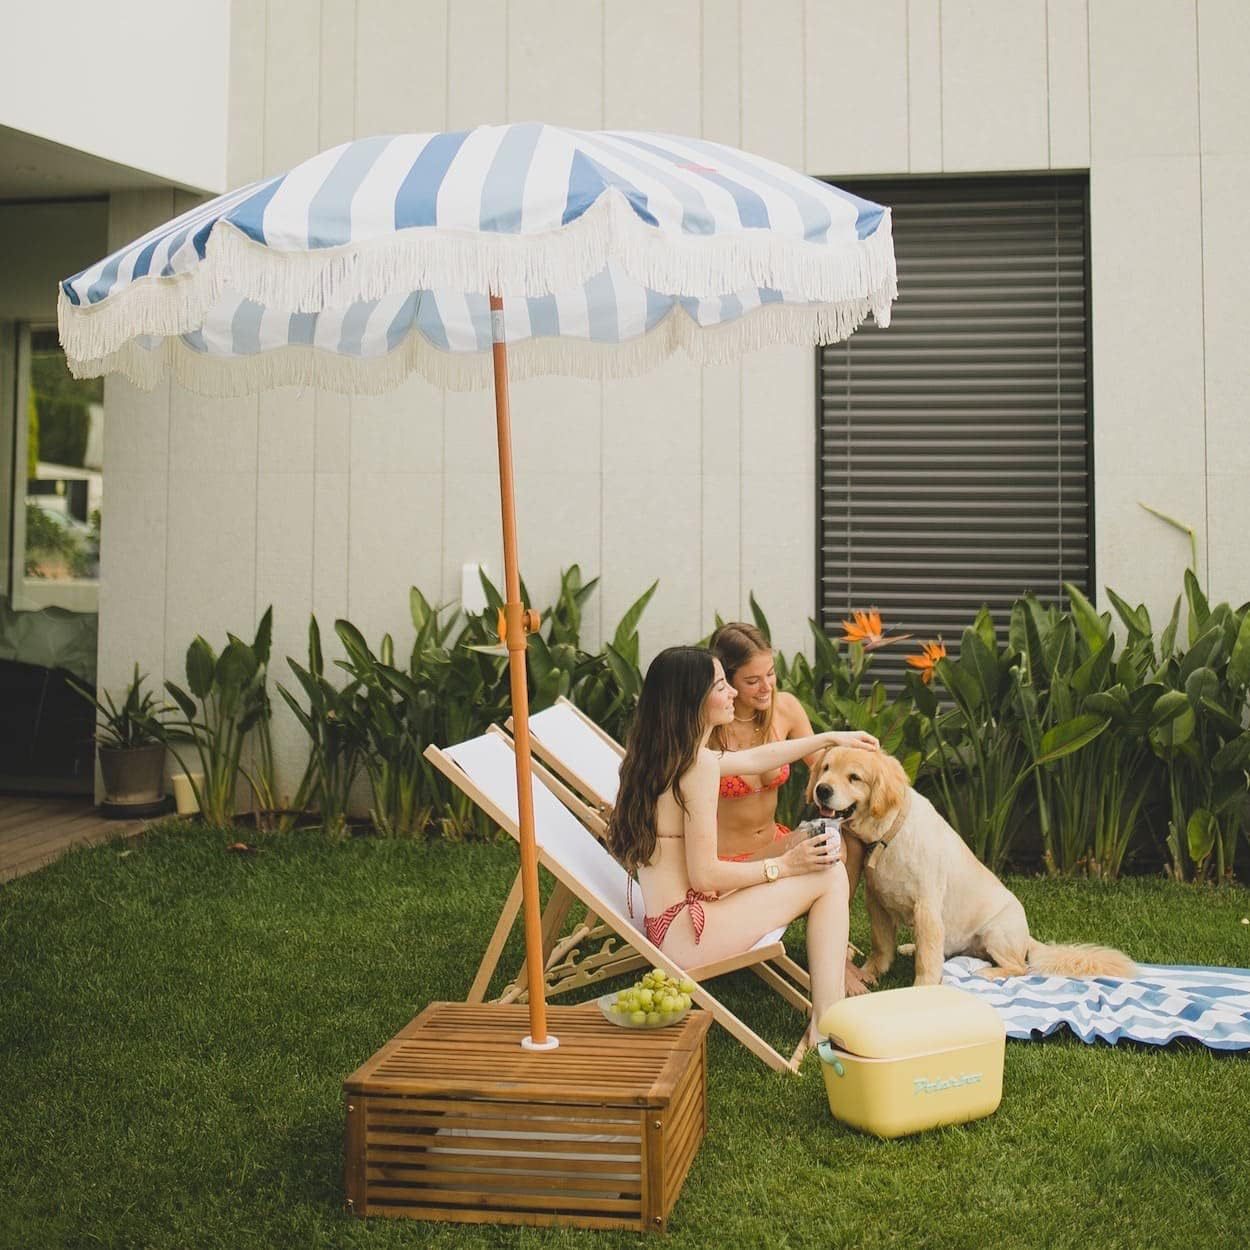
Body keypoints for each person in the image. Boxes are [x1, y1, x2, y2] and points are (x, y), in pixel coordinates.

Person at [606, 646, 875, 1044]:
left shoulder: (668, 755)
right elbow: (706, 873)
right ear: (693, 700)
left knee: (820, 867)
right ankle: (827, 1024)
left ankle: (828, 1015)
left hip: (673, 922)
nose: (732, 692)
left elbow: (756, 759)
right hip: (689, 933)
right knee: (830, 873)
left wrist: (829, 737)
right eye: (720, 686)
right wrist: (785, 866)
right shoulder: (694, 768)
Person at [709, 622, 873, 995]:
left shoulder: (784, 709)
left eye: (770, 673)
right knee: (829, 850)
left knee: (843, 841)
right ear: (726, 679)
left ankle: (836, 953)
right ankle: (833, 963)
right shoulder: (710, 723)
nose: (767, 686)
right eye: (752, 681)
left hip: (775, 840)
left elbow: (822, 768)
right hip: (731, 862)